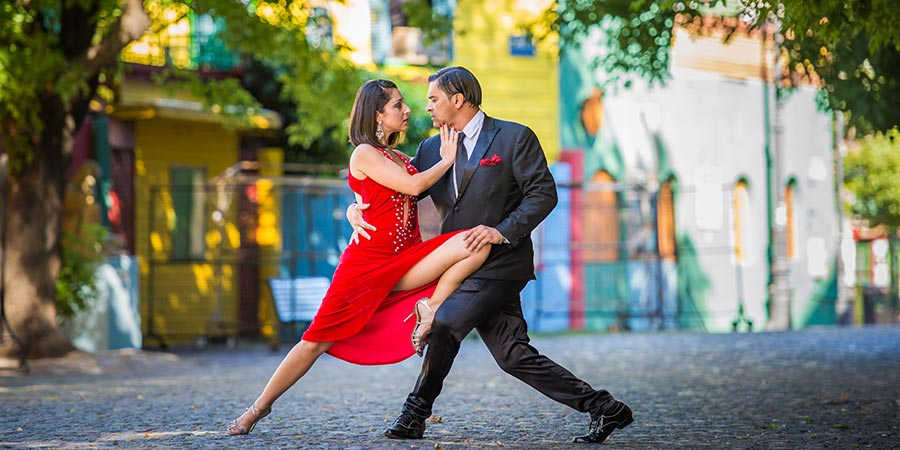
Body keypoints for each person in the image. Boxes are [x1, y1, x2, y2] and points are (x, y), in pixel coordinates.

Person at [348, 66, 633, 444]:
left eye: (434, 99)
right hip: (459, 265)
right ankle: (606, 408)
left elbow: (543, 194)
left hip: (502, 264)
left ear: (458, 99)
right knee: (512, 354)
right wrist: (356, 208)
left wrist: (501, 231)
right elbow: (397, 191)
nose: (427, 107)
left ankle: (414, 414)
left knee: (445, 322)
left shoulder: (515, 137)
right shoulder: (431, 149)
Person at [227, 79, 490, 435]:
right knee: (314, 342)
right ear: (377, 114)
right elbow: (413, 187)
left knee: (477, 243)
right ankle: (258, 408)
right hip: (366, 267)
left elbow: (384, 191)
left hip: (408, 259)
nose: (408, 109)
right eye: (398, 105)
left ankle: (429, 308)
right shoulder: (363, 152)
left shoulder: (397, 157)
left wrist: (356, 206)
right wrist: (446, 160)